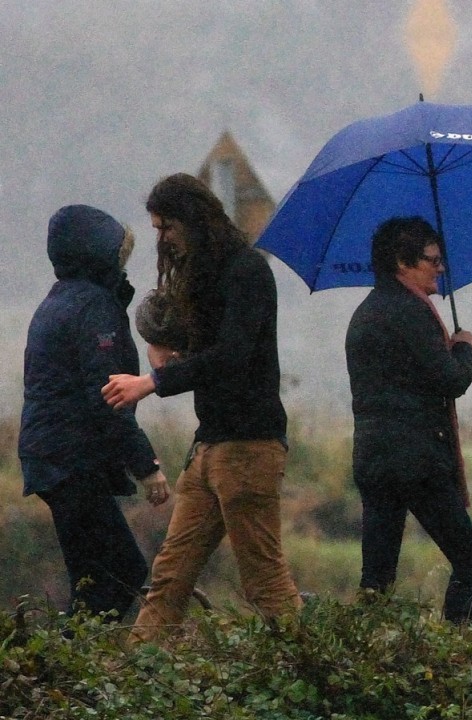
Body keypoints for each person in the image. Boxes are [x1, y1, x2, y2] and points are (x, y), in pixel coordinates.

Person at [102, 173, 301, 641]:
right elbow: (211, 355)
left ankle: (318, 675)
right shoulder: (207, 279)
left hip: (249, 448)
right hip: (209, 449)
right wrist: (170, 351)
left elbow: (233, 356)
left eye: (166, 228)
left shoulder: (249, 272)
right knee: (169, 577)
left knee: (265, 582)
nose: (162, 240)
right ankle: (128, 683)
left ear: (192, 220)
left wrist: (153, 381)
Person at [19, 205, 170, 621]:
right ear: (100, 254)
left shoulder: (61, 300)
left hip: (53, 458)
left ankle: (72, 670)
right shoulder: (93, 308)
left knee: (92, 576)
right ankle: (75, 670)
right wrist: (146, 465)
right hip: (71, 461)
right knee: (122, 571)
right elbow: (108, 397)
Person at [345, 216, 472, 624]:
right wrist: (465, 349)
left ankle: (360, 658)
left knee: (377, 577)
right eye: (432, 260)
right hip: (417, 462)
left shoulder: (366, 312)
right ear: (402, 264)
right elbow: (449, 380)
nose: (441, 268)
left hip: (373, 459)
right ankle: (462, 650)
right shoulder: (410, 312)